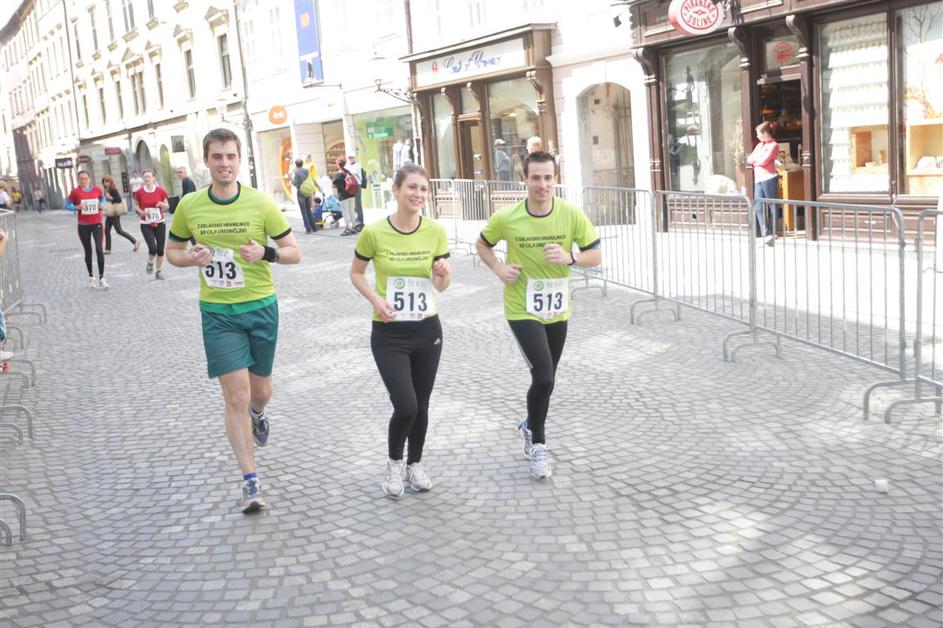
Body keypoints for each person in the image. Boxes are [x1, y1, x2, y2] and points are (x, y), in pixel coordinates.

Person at [166, 128, 300, 514]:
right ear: (206, 161)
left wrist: (266, 253)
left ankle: (259, 413)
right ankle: (250, 482)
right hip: (218, 313)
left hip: (260, 308)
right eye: (217, 157)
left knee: (260, 392)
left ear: (239, 160)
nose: (224, 163)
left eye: (230, 156)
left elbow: (294, 252)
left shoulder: (261, 203)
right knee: (236, 396)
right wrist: (190, 259)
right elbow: (173, 251)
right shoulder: (190, 205)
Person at [475, 151, 602, 480]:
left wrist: (571, 258)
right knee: (544, 376)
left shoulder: (571, 214)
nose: (542, 184)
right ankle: (539, 446)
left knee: (547, 379)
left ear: (555, 180)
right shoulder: (508, 217)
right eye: (535, 178)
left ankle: (530, 424)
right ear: (525, 180)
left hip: (557, 309)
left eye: (548, 178)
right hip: (522, 308)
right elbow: (482, 244)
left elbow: (596, 255)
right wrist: (499, 268)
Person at [350, 164, 451, 498]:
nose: (418, 194)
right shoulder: (374, 233)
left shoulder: (435, 231)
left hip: (427, 330)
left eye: (423, 189)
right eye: (411, 187)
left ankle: (415, 464)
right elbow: (356, 273)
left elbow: (441, 286)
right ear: (396, 190)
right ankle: (394, 463)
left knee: (421, 405)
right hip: (389, 333)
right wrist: (376, 300)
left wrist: (443, 273)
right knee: (405, 405)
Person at [65, 170, 109, 289]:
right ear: (78, 180)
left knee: (99, 249)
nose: (83, 180)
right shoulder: (75, 192)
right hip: (83, 225)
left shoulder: (97, 190)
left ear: (89, 179)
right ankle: (91, 276)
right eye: (81, 179)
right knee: (88, 251)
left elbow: (103, 200)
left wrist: (102, 204)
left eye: (85, 178)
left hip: (97, 223)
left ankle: (102, 278)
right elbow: (67, 205)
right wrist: (77, 207)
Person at [133, 170, 171, 280]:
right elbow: (136, 205)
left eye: (149, 176)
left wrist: (162, 204)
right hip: (146, 224)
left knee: (160, 250)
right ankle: (150, 262)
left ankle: (158, 271)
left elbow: (167, 206)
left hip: (160, 223)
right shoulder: (139, 192)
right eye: (145, 177)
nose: (147, 179)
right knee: (153, 248)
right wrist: (140, 212)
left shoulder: (160, 191)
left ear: (154, 178)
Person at [747, 122, 779, 246]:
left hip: (769, 177)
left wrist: (757, 160)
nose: (757, 136)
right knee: (758, 206)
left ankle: (774, 232)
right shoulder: (759, 145)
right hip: (758, 179)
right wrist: (757, 160)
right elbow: (750, 159)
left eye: (758, 133)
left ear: (765, 133)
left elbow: (764, 161)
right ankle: (766, 233)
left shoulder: (774, 145)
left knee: (771, 204)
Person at [102, 176, 140, 255]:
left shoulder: (113, 189)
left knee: (119, 231)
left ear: (110, 182)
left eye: (107, 181)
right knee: (107, 230)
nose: (105, 183)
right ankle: (107, 249)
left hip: (115, 213)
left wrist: (110, 197)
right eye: (104, 182)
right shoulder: (107, 190)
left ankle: (135, 241)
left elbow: (118, 199)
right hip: (110, 212)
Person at [332, 158, 357, 236]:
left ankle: (347, 228)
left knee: (345, 212)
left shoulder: (337, 174)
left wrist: (335, 195)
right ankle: (354, 227)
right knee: (351, 211)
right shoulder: (348, 172)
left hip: (343, 196)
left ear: (338, 165)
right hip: (351, 194)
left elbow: (333, 185)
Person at [292, 158, 317, 234]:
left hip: (301, 193)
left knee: (304, 212)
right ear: (302, 164)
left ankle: (308, 229)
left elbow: (295, 183)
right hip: (308, 192)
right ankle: (314, 227)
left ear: (296, 165)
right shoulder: (306, 171)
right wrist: (318, 187)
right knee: (309, 210)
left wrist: (291, 179)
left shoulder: (297, 172)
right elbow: (312, 180)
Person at [346, 154, 366, 231]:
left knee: (357, 205)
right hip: (350, 186)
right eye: (349, 158)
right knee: (352, 205)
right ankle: (355, 223)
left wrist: (347, 174)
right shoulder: (347, 165)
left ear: (355, 158)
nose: (350, 159)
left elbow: (353, 174)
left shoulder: (357, 165)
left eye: (352, 157)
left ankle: (360, 223)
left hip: (356, 185)